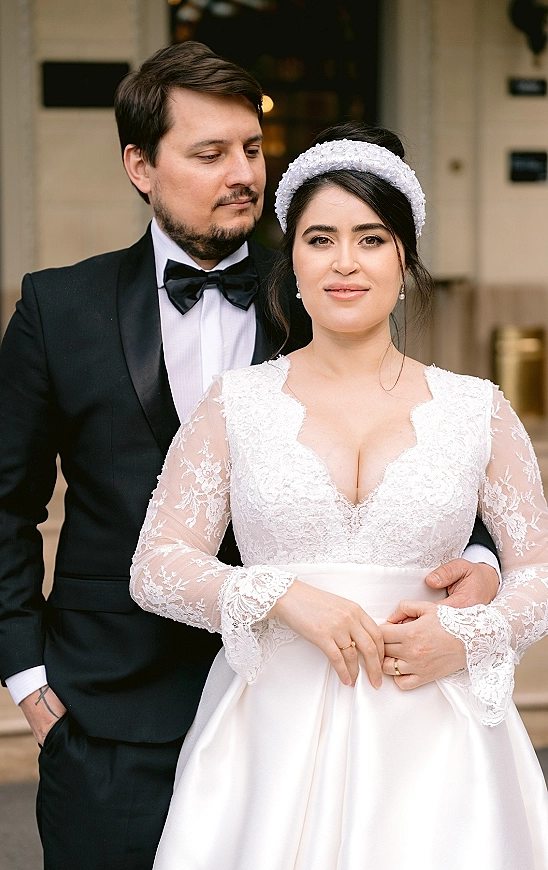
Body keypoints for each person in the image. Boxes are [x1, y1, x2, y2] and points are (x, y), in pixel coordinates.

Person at [0, 42, 495, 869]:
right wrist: (29, 681)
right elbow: (2, 505)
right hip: (111, 714)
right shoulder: (56, 307)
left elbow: (434, 447)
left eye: (251, 149)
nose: (241, 172)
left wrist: (475, 557)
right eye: (209, 154)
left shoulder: (327, 283)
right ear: (141, 165)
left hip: (298, 707)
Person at [130, 122, 548, 869]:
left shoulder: (476, 407)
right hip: (272, 738)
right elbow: (156, 565)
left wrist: (471, 634)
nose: (345, 263)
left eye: (372, 238)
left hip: (440, 741)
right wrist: (281, 595)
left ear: (404, 259)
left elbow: (540, 573)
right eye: (320, 239)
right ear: (290, 259)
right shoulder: (238, 403)